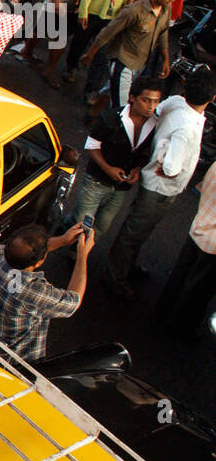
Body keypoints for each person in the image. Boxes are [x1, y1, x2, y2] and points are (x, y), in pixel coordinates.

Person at [104, 67, 216, 297]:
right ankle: (115, 277)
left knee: (139, 229)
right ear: (212, 98)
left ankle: (125, 266)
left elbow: (156, 116)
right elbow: (172, 167)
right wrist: (168, 170)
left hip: (153, 184)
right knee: (134, 232)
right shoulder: (187, 127)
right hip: (160, 189)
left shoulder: (176, 101)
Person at [0, 223, 94, 363]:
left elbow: (21, 252)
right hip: (15, 359)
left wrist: (62, 240)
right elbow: (74, 300)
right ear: (39, 262)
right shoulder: (33, 291)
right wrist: (82, 256)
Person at [71, 75, 162, 237]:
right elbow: (92, 145)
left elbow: (145, 152)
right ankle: (74, 256)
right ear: (132, 98)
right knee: (83, 226)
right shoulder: (112, 117)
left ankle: (69, 235)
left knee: (102, 226)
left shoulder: (155, 124)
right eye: (146, 100)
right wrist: (108, 168)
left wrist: (137, 169)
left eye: (156, 101)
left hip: (121, 188)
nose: (151, 106)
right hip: (96, 181)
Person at [82, 0, 176, 116]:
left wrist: (166, 60)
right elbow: (108, 32)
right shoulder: (133, 11)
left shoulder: (166, 9)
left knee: (111, 91)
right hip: (123, 62)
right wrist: (90, 54)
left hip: (139, 64)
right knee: (123, 109)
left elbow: (163, 34)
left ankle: (93, 114)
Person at [156, 163, 216, 337]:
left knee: (180, 276)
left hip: (199, 227)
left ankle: (163, 311)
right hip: (212, 245)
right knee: (199, 291)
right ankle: (182, 328)